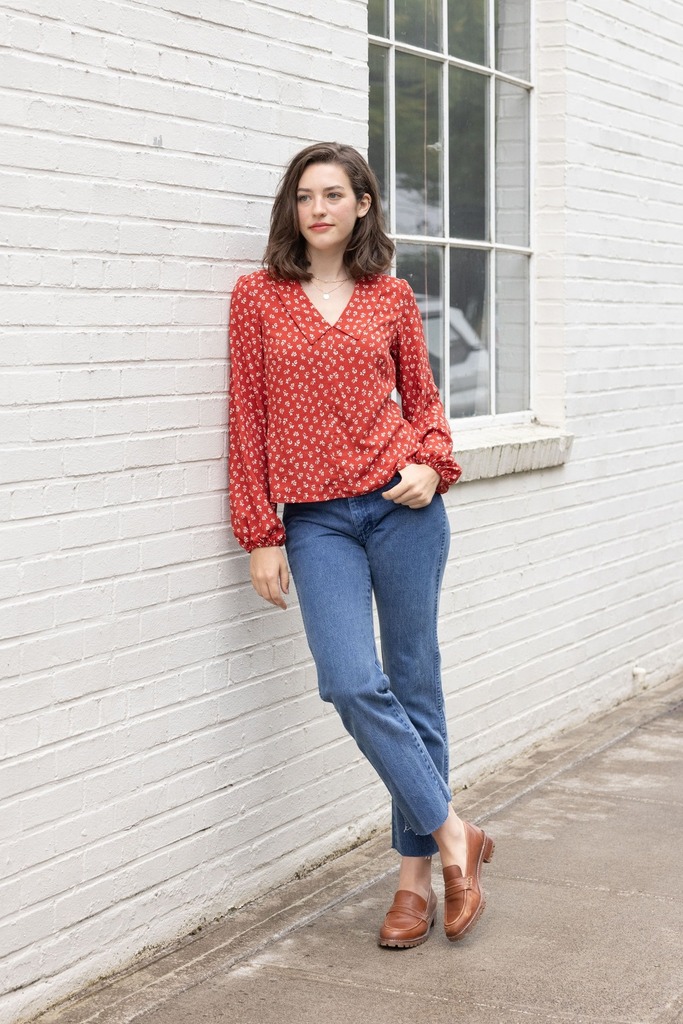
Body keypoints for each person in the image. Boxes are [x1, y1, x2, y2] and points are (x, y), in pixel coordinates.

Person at [228, 142, 494, 948]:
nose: (317, 208)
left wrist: (429, 464)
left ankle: (414, 882)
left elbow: (424, 402)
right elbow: (246, 417)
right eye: (304, 195)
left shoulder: (390, 296)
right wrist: (260, 532)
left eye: (333, 194)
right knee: (350, 681)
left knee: (415, 681)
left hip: (400, 508)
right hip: (315, 522)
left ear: (362, 204)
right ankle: (455, 836)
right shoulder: (257, 297)